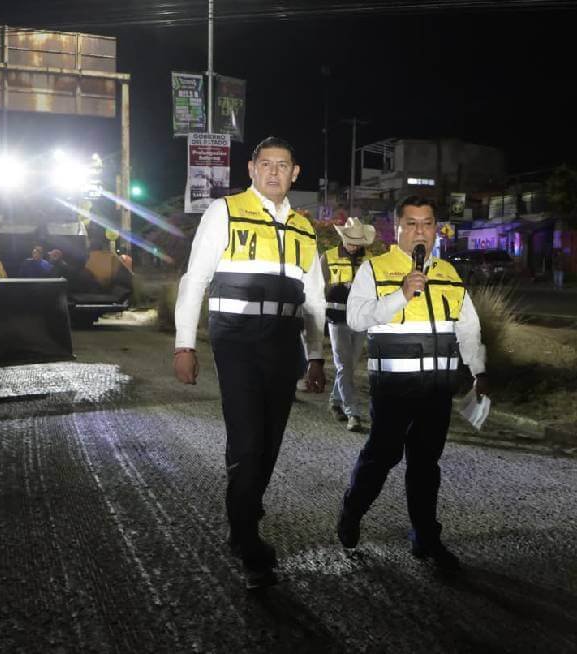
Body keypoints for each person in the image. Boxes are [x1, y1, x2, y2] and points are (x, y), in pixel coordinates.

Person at [173, 136, 326, 589]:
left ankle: (245, 512)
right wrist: (184, 345)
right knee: (247, 440)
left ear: (295, 174)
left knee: (269, 442)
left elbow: (314, 299)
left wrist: (316, 356)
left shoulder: (304, 228)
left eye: (283, 165)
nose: (274, 172)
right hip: (236, 340)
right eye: (266, 164)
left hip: (283, 342)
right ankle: (246, 541)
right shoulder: (225, 211)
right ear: (252, 168)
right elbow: (195, 279)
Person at [336, 195, 488, 571]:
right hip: (393, 389)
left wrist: (478, 371)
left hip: (436, 390)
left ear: (436, 229)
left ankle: (425, 537)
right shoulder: (375, 269)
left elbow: (468, 326)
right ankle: (352, 510)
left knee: (425, 464)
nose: (421, 232)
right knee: (382, 456)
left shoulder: (448, 273)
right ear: (397, 228)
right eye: (412, 224)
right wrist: (401, 294)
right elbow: (356, 318)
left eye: (428, 223)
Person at [320, 217, 374, 433]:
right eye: (351, 240)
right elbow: (319, 289)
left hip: (360, 320)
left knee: (349, 366)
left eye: (357, 242)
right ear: (343, 237)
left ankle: (334, 401)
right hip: (337, 319)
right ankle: (353, 412)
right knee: (344, 366)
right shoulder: (328, 257)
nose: (354, 245)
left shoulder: (369, 261)